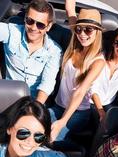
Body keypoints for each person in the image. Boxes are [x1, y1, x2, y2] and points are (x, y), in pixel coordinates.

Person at [49, 0, 105, 141]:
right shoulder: (76, 39)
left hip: (77, 113)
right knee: (34, 127)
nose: (82, 34)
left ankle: (73, 151)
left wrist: (63, 121)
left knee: (51, 137)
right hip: (58, 106)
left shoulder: (98, 61)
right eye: (79, 29)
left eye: (88, 30)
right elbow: (70, 8)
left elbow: (80, 91)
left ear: (97, 32)